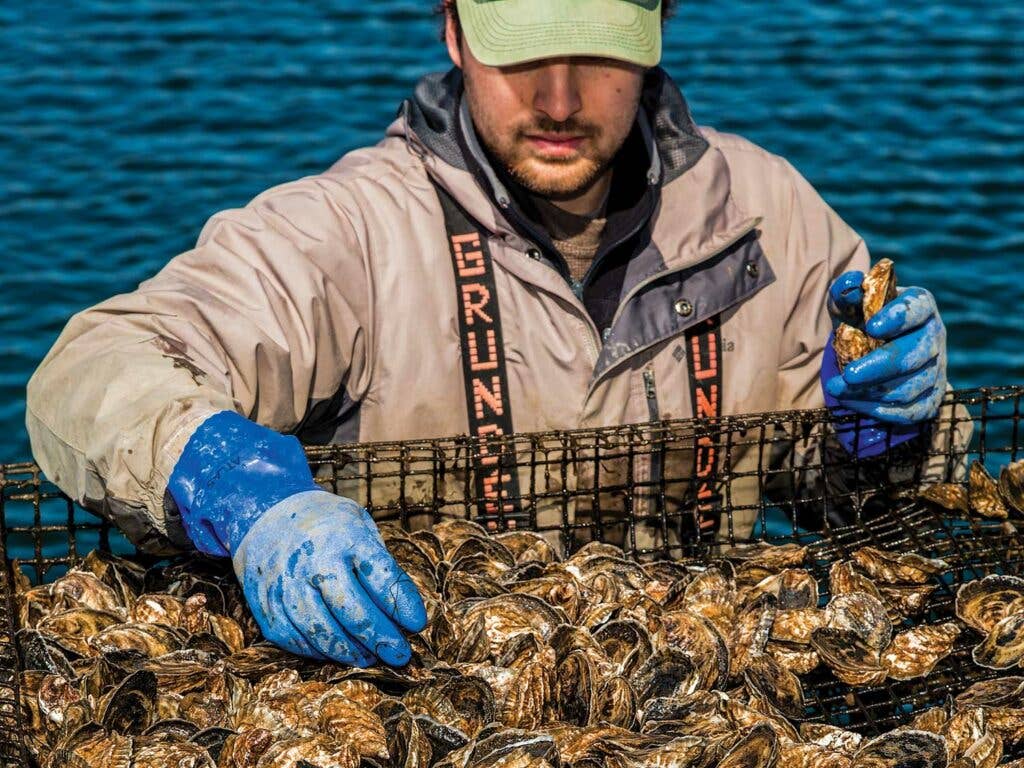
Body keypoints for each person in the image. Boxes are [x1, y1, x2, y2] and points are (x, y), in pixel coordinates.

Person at [26, 0, 954, 668]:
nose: (557, 100)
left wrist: (884, 436)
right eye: (520, 53)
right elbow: (91, 369)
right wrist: (243, 491)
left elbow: (862, 509)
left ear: (658, 29)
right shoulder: (350, 232)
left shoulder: (768, 219)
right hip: (415, 699)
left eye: (595, 51)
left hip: (698, 700)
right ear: (454, 30)